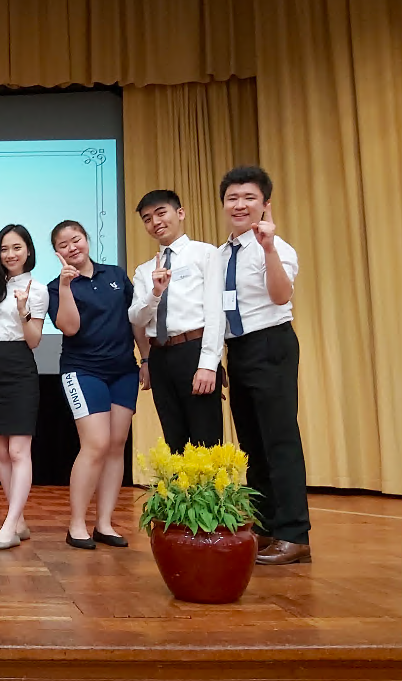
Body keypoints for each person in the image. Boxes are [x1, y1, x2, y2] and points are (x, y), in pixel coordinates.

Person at [218, 165, 311, 565]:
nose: (240, 205)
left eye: (249, 198)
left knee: (280, 442)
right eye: (232, 198)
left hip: (271, 344)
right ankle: (267, 527)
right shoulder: (223, 253)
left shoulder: (277, 247)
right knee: (252, 445)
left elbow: (280, 295)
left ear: (265, 204)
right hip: (237, 350)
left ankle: (295, 535)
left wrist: (269, 248)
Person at [49, 220, 142, 550]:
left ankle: (104, 523)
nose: (71, 247)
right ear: (56, 252)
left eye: (76, 240)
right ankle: (77, 524)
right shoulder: (54, 286)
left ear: (87, 240)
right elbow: (69, 327)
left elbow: (135, 320)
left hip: (123, 371)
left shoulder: (115, 275)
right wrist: (65, 287)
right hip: (82, 371)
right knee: (96, 443)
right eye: (63, 244)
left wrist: (145, 360)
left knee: (116, 444)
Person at [128, 190, 225, 453]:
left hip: (193, 351)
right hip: (160, 356)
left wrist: (209, 364)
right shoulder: (145, 270)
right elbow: (136, 317)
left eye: (161, 213)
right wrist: (155, 292)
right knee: (174, 439)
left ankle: (210, 495)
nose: (155, 222)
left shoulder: (205, 253)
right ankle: (180, 494)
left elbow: (217, 312)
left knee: (206, 439)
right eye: (147, 219)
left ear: (180, 213)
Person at [0, 224, 48, 550]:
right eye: (5, 249)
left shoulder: (37, 288)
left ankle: (8, 526)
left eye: (17, 247)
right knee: (1, 452)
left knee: (19, 451)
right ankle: (17, 521)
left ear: (29, 251)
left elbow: (33, 341)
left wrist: (24, 312)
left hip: (19, 367)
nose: (11, 254)